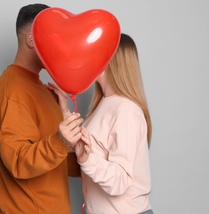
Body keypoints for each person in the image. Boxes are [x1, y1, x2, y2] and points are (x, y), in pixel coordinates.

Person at [0, 3, 84, 214]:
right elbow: (18, 161)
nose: (58, 45)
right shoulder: (12, 90)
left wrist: (87, 157)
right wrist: (61, 142)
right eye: (52, 36)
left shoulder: (43, 89)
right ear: (31, 40)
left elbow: (53, 161)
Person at [51, 33, 153, 214]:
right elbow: (89, 147)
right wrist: (64, 111)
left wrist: (88, 160)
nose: (91, 59)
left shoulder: (126, 110)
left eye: (98, 53)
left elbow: (121, 181)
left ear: (112, 61)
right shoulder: (105, 104)